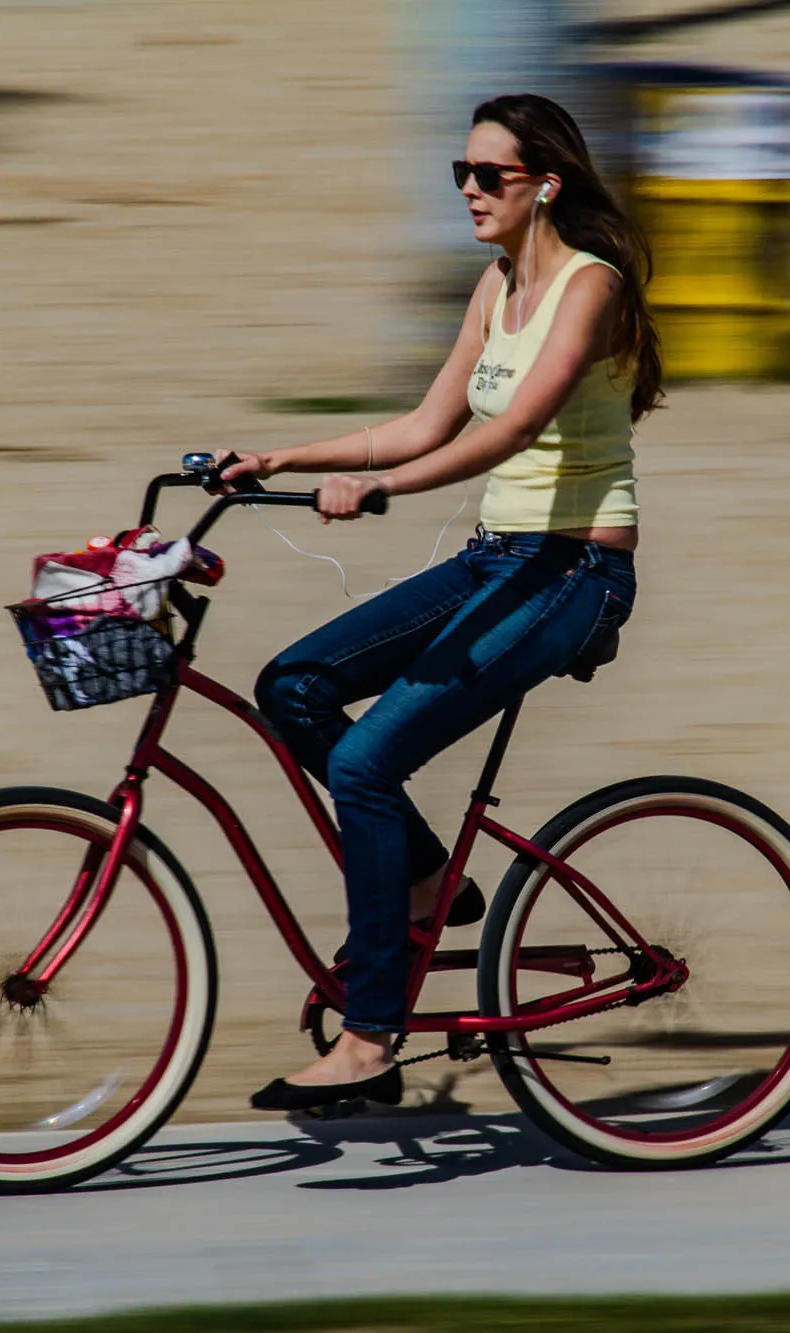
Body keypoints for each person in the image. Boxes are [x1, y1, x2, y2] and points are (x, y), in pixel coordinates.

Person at [222, 93, 663, 1111]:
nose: (467, 190)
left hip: (573, 574)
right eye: (456, 174)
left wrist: (380, 493)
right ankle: (428, 885)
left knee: (368, 762)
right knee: (291, 684)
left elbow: (508, 434)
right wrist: (278, 455)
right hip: (495, 558)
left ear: (543, 184)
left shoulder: (586, 287)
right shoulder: (494, 283)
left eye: (487, 176)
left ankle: (370, 1036)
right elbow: (425, 422)